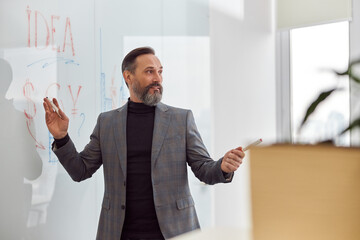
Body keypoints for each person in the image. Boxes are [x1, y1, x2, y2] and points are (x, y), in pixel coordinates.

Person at [43, 47, 245, 240]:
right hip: (120, 233)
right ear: (128, 77)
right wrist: (62, 137)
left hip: (174, 231)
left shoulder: (181, 119)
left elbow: (203, 169)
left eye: (160, 71)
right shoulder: (107, 123)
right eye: (149, 72)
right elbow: (80, 170)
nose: (157, 78)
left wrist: (222, 167)